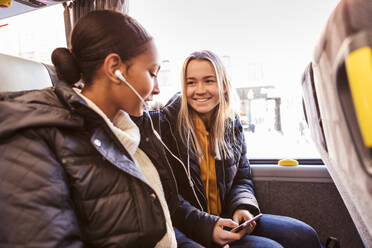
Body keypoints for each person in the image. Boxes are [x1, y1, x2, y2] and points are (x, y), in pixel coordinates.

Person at [0, 10, 179, 247]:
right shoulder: (33, 139)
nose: (156, 89)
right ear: (115, 68)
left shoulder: (129, 131)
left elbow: (158, 225)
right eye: (151, 73)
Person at [156, 50, 323, 248]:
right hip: (190, 227)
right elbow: (167, 197)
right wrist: (208, 226)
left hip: (227, 219)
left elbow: (241, 178)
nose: (199, 90)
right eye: (191, 82)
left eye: (209, 81)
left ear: (224, 85)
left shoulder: (231, 123)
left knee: (303, 235)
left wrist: (242, 207)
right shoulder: (166, 125)